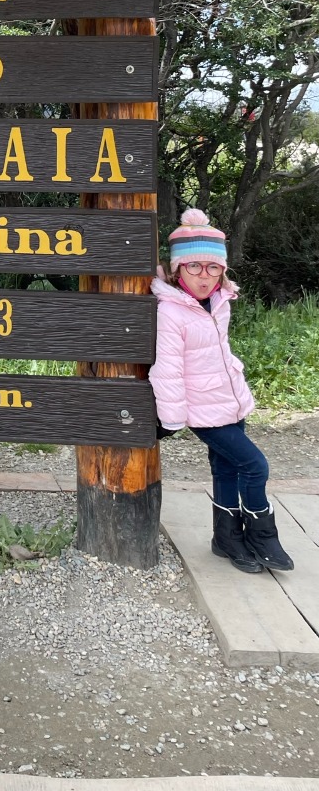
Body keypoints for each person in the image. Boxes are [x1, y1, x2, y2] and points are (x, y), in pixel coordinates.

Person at [150, 208, 293, 575]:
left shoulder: (219, 302)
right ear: (178, 268)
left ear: (222, 270)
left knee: (227, 467)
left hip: (229, 401)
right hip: (202, 409)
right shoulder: (170, 312)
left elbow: (220, 351)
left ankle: (226, 538)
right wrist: (171, 419)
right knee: (255, 465)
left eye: (213, 267)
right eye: (194, 267)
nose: (204, 276)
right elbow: (168, 370)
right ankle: (263, 535)